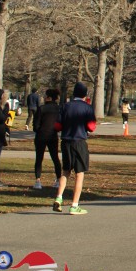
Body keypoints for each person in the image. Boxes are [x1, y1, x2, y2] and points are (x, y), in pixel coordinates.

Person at [54, 82, 97, 215]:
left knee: (66, 171)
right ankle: (74, 205)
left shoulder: (65, 106)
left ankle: (59, 197)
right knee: (79, 173)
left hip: (66, 141)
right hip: (79, 141)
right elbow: (91, 127)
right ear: (85, 94)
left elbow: (57, 126)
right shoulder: (87, 108)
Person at [33, 89, 61, 190]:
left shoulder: (42, 108)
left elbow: (36, 125)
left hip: (41, 135)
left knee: (39, 158)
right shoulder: (58, 109)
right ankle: (58, 180)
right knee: (55, 158)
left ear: (48, 97)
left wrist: (38, 129)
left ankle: (38, 181)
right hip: (53, 135)